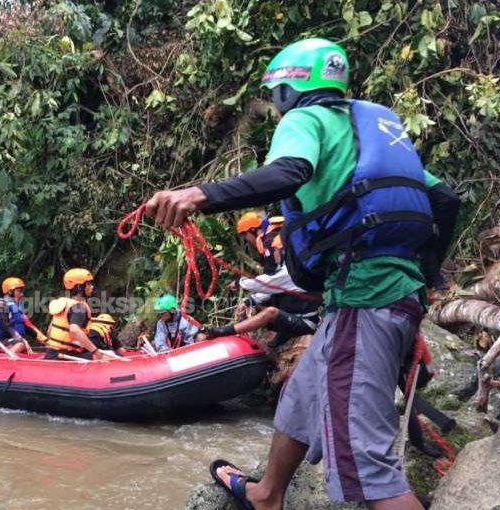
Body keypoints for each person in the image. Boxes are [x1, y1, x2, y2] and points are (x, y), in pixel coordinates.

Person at [144, 38, 459, 510]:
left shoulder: (304, 119)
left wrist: (199, 194)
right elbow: (445, 200)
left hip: (365, 299)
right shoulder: (367, 127)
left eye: (276, 96)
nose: (276, 108)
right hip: (388, 294)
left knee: (367, 464)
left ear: (289, 91)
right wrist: (427, 277)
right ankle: (268, 494)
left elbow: (290, 171)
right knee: (302, 394)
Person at [207, 215, 321, 349]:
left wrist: (240, 283)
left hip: (308, 321)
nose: (274, 254)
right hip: (295, 314)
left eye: (276, 250)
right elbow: (271, 288)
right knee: (258, 302)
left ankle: (224, 331)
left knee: (270, 311)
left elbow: (270, 283)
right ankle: (284, 331)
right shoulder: (286, 266)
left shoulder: (293, 270)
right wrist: (248, 301)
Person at [44, 268, 107, 360]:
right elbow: (74, 330)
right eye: (88, 284)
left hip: (51, 354)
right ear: (79, 287)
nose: (92, 287)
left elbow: (49, 331)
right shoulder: (79, 307)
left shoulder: (64, 304)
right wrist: (96, 352)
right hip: (64, 355)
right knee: (106, 356)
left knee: (106, 353)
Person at [0, 276, 46, 355]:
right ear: (10, 292)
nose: (22, 294)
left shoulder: (16, 309)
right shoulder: (0, 303)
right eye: (19, 291)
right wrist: (20, 339)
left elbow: (27, 328)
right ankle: (1, 363)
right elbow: (4, 324)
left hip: (9, 342)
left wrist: (46, 342)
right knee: (20, 344)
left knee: (24, 346)